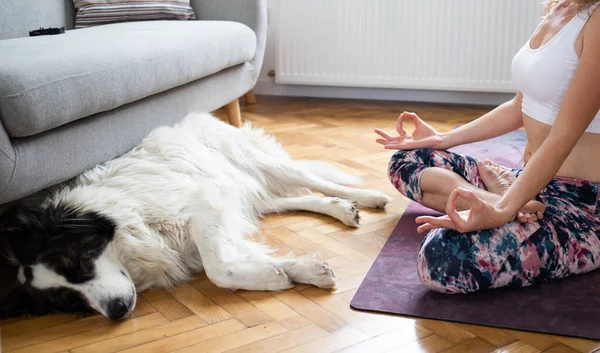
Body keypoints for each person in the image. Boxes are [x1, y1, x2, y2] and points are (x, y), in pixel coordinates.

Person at [375, 0, 600, 294]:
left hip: (582, 207)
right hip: (530, 180)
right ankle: (502, 198)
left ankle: (507, 202)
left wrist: (505, 210)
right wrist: (441, 139)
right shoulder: (557, 7)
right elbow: (519, 106)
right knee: (407, 160)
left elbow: (564, 134)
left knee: (442, 261)